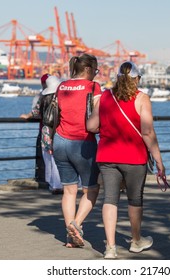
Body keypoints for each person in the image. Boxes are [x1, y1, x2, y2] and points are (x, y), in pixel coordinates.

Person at [87, 61, 165, 259]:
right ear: (137, 79)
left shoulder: (105, 96)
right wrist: (158, 161)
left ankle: (110, 248)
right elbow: (147, 132)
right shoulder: (142, 98)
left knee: (110, 199)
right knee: (134, 199)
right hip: (134, 156)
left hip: (107, 155)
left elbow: (91, 126)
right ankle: (136, 241)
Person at [53, 53, 102, 248]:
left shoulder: (61, 86)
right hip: (82, 142)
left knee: (69, 191)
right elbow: (98, 114)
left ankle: (70, 237)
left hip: (59, 141)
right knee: (91, 189)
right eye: (96, 71)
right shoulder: (93, 86)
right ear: (89, 69)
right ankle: (76, 224)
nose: (96, 75)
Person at [20, 74, 64, 195]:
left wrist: (27, 116)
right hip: (60, 129)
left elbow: (35, 112)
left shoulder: (43, 98)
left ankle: (52, 183)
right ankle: (60, 183)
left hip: (46, 130)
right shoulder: (62, 97)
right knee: (59, 157)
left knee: (48, 157)